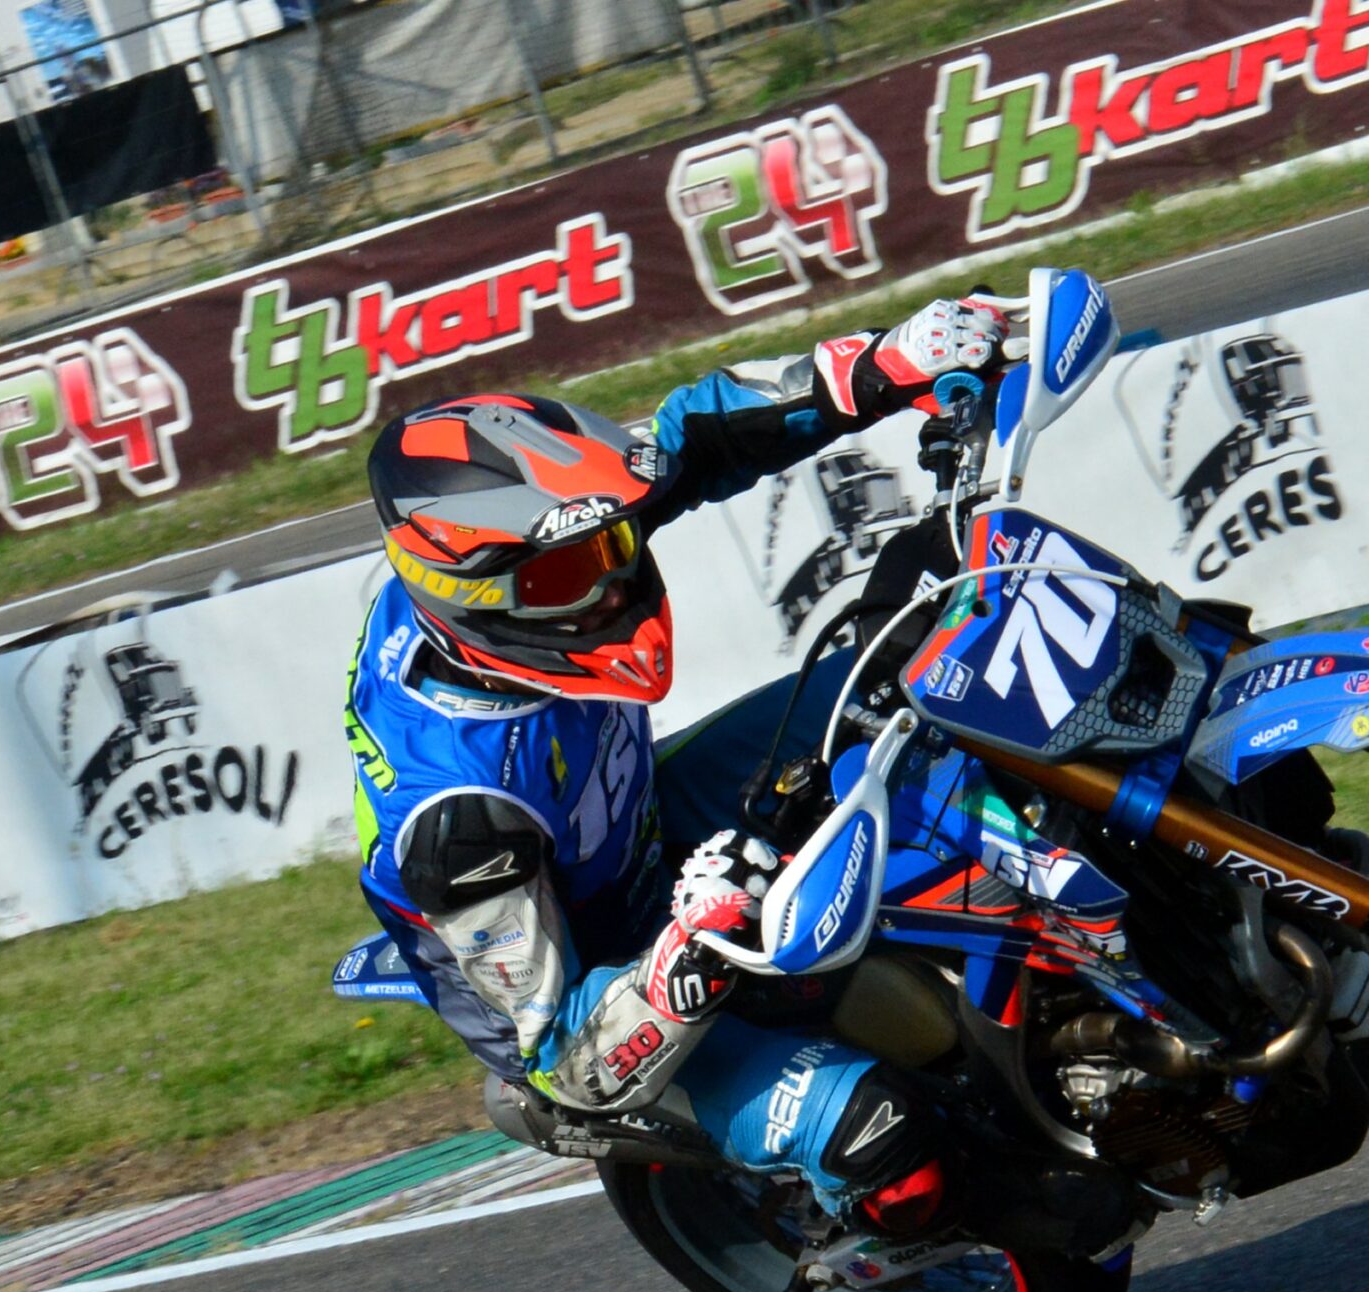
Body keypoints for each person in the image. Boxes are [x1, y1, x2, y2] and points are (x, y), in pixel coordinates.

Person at [345, 298, 1013, 1234]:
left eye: (613, 546)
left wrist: (876, 368)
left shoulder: (533, 558)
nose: (612, 583)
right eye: (571, 575)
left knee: (917, 673)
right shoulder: (460, 829)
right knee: (887, 1137)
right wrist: (687, 951)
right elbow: (569, 1062)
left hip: (638, 821)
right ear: (481, 600)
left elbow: (686, 443)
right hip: (598, 987)